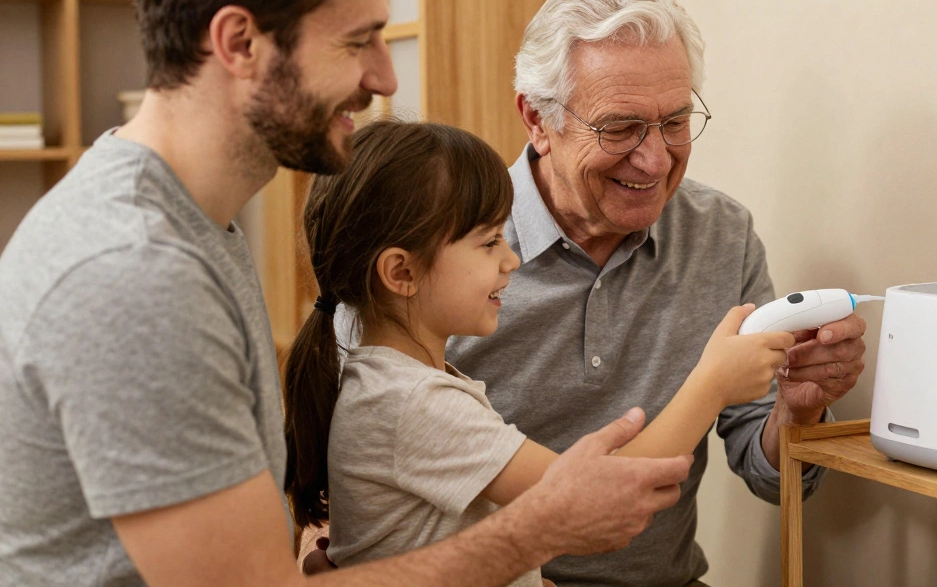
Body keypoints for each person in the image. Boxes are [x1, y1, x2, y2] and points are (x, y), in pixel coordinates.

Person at [0, 0, 693, 586]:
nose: (385, 78)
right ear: (240, 42)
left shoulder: (195, 231)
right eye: (357, 41)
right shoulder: (137, 277)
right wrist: (539, 527)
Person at [447, 0, 871, 586]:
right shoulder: (448, 246)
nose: (654, 159)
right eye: (619, 128)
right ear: (537, 119)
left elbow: (771, 475)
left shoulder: (720, 234)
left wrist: (795, 411)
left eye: (674, 121)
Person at [283, 120, 793, 585]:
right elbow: (596, 494)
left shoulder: (395, 380)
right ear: (401, 273)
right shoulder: (415, 403)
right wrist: (712, 384)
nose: (510, 261)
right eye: (488, 244)